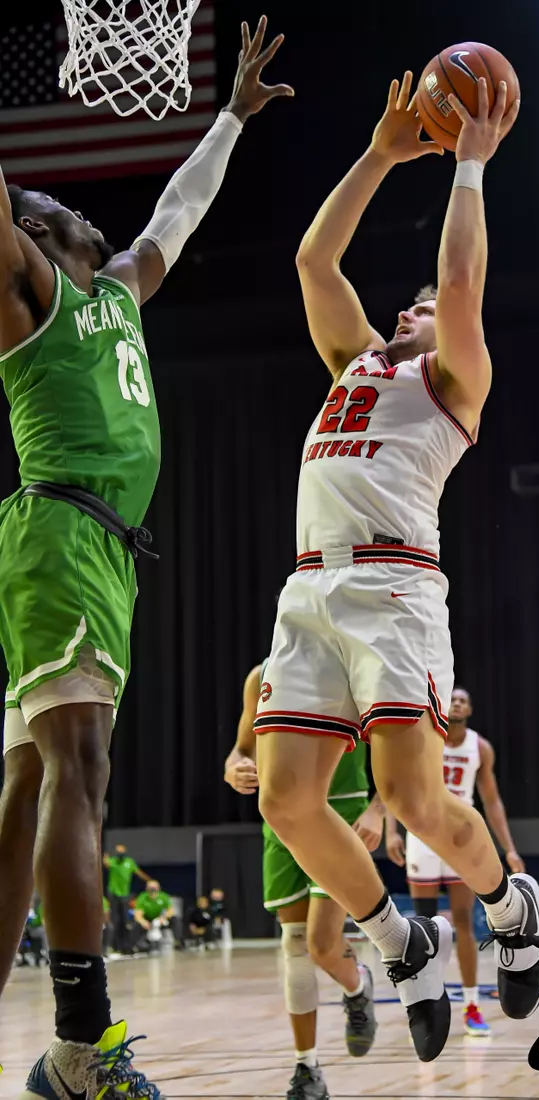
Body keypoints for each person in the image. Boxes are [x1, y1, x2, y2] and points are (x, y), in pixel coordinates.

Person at [0, 18, 292, 1099]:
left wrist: (228, 117)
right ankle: (82, 1046)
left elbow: (178, 211)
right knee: (80, 774)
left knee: (27, 787)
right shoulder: (29, 292)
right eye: (55, 208)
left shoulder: (116, 292)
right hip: (61, 537)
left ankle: (57, 1048)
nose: (82, 211)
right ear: (31, 234)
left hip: (95, 552)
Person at [254, 71, 539, 1065]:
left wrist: (467, 162)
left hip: (393, 586)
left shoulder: (453, 380)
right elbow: (312, 256)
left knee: (415, 800)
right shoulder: (357, 365)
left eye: (424, 304)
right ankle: (399, 938)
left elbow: (459, 283)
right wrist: (382, 151)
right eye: (408, 302)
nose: (413, 305)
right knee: (287, 800)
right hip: (309, 587)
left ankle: (509, 904)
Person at [226, 660, 381, 1100]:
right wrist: (234, 768)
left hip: (341, 809)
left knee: (319, 944)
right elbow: (240, 749)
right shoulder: (260, 676)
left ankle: (356, 985)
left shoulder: (356, 668)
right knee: (294, 942)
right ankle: (307, 1067)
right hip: (280, 815)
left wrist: (378, 810)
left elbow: (398, 754)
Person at [385, 686, 524, 1036]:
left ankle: (472, 1005)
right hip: (423, 833)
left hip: (461, 833)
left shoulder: (479, 747)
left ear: (471, 709)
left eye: (464, 699)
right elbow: (395, 784)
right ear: (443, 706)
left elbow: (492, 802)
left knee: (465, 920)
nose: (458, 702)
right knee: (422, 926)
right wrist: (392, 831)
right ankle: (428, 1004)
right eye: (453, 699)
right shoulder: (425, 737)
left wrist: (508, 847)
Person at [103, 843, 149, 953]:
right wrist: (105, 856)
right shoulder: (113, 861)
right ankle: (115, 946)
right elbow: (106, 864)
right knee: (115, 920)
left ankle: (126, 945)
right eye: (118, 851)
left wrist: (149, 880)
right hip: (114, 894)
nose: (120, 854)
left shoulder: (129, 862)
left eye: (122, 851)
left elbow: (138, 873)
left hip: (125, 895)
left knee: (125, 920)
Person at [132, 880, 182, 952]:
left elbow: (171, 911)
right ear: (147, 888)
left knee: (175, 920)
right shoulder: (142, 897)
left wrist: (163, 918)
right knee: (136, 925)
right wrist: (143, 922)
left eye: (154, 888)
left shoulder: (164, 896)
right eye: (150, 888)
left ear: (158, 888)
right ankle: (136, 946)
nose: (152, 890)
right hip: (147, 919)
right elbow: (138, 914)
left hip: (159, 919)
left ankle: (178, 941)